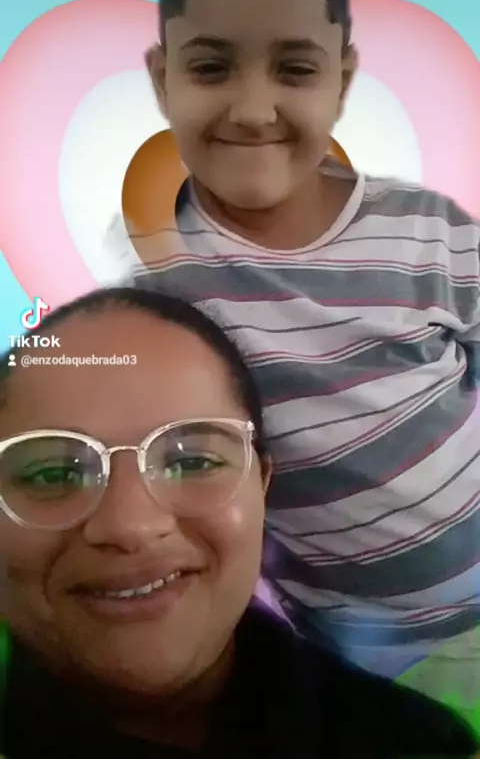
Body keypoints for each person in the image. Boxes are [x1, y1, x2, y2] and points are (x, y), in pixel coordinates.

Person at [129, 0, 480, 712]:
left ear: (342, 81)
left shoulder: (427, 227)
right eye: (212, 68)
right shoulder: (163, 291)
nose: (254, 109)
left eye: (294, 69)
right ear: (163, 78)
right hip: (353, 650)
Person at [0, 286, 479, 758]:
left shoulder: (415, 743)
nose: (130, 525)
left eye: (192, 462)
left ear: (261, 484)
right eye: (53, 474)